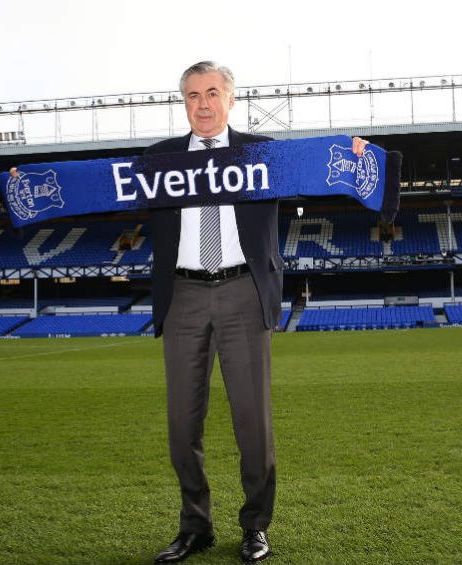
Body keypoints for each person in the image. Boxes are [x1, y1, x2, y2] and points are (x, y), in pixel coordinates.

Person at [150, 62, 368, 564]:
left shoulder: (261, 154)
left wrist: (354, 159)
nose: (201, 104)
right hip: (182, 295)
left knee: (253, 423)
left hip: (243, 292)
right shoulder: (159, 159)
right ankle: (195, 526)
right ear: (183, 102)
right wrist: (31, 185)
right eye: (191, 96)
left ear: (230, 98)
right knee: (183, 426)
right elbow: (97, 191)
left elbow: (316, 171)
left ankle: (255, 526)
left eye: (211, 93)